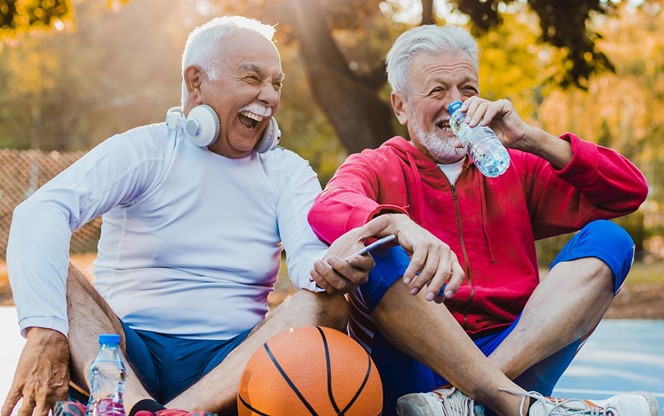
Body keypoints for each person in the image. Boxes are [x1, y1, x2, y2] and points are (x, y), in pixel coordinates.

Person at [1, 16, 390, 416]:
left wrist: (332, 267)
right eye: (252, 77)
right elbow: (40, 212)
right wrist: (45, 330)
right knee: (59, 278)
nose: (270, 97)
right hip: (120, 356)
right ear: (196, 82)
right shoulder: (147, 149)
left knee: (327, 304)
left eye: (276, 84)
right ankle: (136, 408)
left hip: (230, 367)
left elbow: (309, 255)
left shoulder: (287, 171)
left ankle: (174, 412)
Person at [307, 24, 658, 416]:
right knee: (381, 248)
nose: (455, 104)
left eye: (467, 89)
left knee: (610, 240)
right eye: (437, 91)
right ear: (401, 105)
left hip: (516, 354)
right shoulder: (377, 165)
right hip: (415, 360)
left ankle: (471, 401)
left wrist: (529, 137)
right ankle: (516, 404)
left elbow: (628, 191)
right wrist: (398, 225)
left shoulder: (516, 166)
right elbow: (328, 206)